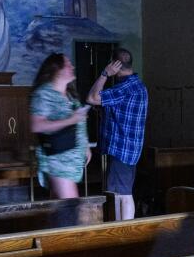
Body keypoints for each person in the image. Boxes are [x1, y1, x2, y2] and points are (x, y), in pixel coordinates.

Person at [87, 48, 148, 220]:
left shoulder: (124, 88)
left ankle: (124, 232)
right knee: (123, 192)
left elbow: (91, 97)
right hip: (130, 148)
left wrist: (105, 73)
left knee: (121, 195)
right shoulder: (139, 85)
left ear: (116, 64)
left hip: (121, 149)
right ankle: (125, 229)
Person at [31, 53, 90, 199]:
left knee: (59, 208)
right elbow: (36, 125)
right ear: (56, 69)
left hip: (72, 161)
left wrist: (86, 146)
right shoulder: (44, 94)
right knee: (70, 208)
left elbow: (79, 124)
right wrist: (71, 120)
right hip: (58, 160)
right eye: (68, 64)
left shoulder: (70, 95)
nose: (73, 67)